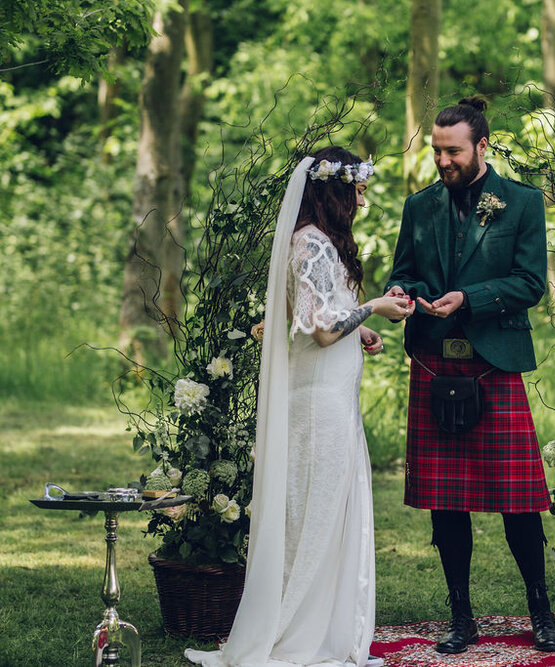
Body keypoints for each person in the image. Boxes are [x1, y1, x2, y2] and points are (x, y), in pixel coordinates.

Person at [185, 147, 413, 666]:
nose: (362, 198)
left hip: (332, 396)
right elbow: (325, 331)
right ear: (334, 190)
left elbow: (317, 321)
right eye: (357, 189)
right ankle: (298, 633)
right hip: (319, 403)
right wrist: (373, 306)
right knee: (316, 513)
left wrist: (365, 330)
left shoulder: (319, 244)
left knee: (329, 511)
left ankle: (324, 629)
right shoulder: (310, 244)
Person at [384, 96, 555, 654]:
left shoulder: (522, 202)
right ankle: (460, 616)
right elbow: (405, 273)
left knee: (518, 500)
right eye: (437, 151)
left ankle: (541, 610)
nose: (443, 160)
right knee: (448, 502)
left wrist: (471, 297)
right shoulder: (420, 207)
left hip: (494, 362)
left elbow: (530, 282)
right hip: (435, 361)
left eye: (453, 150)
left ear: (481, 145)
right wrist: (405, 294)